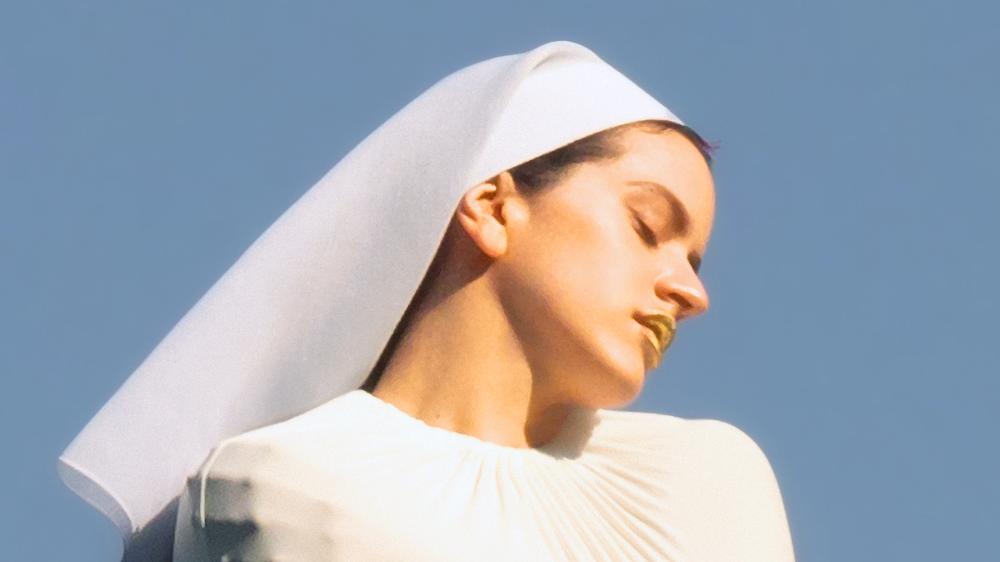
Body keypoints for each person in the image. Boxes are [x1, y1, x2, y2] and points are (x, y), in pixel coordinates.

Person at [59, 40, 796, 562]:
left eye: (693, 261)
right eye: (648, 227)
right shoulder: (287, 486)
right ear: (493, 207)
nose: (691, 293)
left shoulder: (710, 482)